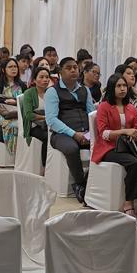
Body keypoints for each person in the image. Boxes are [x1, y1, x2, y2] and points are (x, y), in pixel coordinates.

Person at [44, 56, 96, 203]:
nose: (73, 70)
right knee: (72, 148)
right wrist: (74, 134)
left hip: (85, 132)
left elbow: (91, 113)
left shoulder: (85, 90)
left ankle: (90, 181)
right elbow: (51, 120)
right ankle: (80, 183)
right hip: (62, 134)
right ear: (60, 71)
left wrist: (91, 133)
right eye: (68, 68)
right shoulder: (52, 91)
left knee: (104, 146)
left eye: (75, 67)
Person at [93, 72, 137, 215]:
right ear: (111, 88)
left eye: (124, 86)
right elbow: (103, 133)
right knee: (135, 163)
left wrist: (134, 134)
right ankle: (129, 202)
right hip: (108, 148)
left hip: (127, 146)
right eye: (118, 86)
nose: (122, 89)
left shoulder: (131, 107)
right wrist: (125, 131)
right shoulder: (104, 106)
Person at [20, 64, 52, 169]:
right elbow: (29, 115)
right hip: (34, 126)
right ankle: (45, 166)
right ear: (34, 80)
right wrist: (45, 117)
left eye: (47, 77)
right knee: (47, 137)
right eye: (41, 77)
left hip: (49, 124)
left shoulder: (51, 92)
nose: (45, 80)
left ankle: (55, 164)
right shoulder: (29, 93)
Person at [0, 57, 25, 155]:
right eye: (10, 67)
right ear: (3, 70)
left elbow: (26, 100)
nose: (14, 69)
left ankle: (19, 155)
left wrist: (15, 101)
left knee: (22, 125)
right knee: (12, 126)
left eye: (15, 67)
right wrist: (9, 100)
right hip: (2, 114)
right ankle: (13, 154)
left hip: (19, 114)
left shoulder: (22, 85)